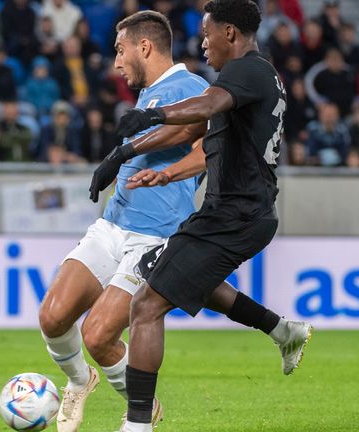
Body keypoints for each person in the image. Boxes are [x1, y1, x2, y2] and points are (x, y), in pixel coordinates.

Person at [112, 2, 312, 431]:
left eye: (208, 33)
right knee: (185, 279)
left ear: (231, 35)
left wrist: (152, 114)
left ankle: (137, 425)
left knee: (146, 306)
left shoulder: (244, 73)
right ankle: (282, 330)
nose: (203, 42)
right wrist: (167, 174)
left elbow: (206, 105)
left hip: (235, 214)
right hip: (235, 212)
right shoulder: (260, 77)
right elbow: (210, 149)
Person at [39, 11, 209, 431]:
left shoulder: (191, 87)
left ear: (144, 47)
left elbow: (195, 133)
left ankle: (141, 408)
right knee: (52, 317)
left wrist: (122, 153)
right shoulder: (150, 93)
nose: (116, 61)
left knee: (98, 336)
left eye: (120, 50)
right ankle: (80, 382)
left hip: (153, 235)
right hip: (113, 224)